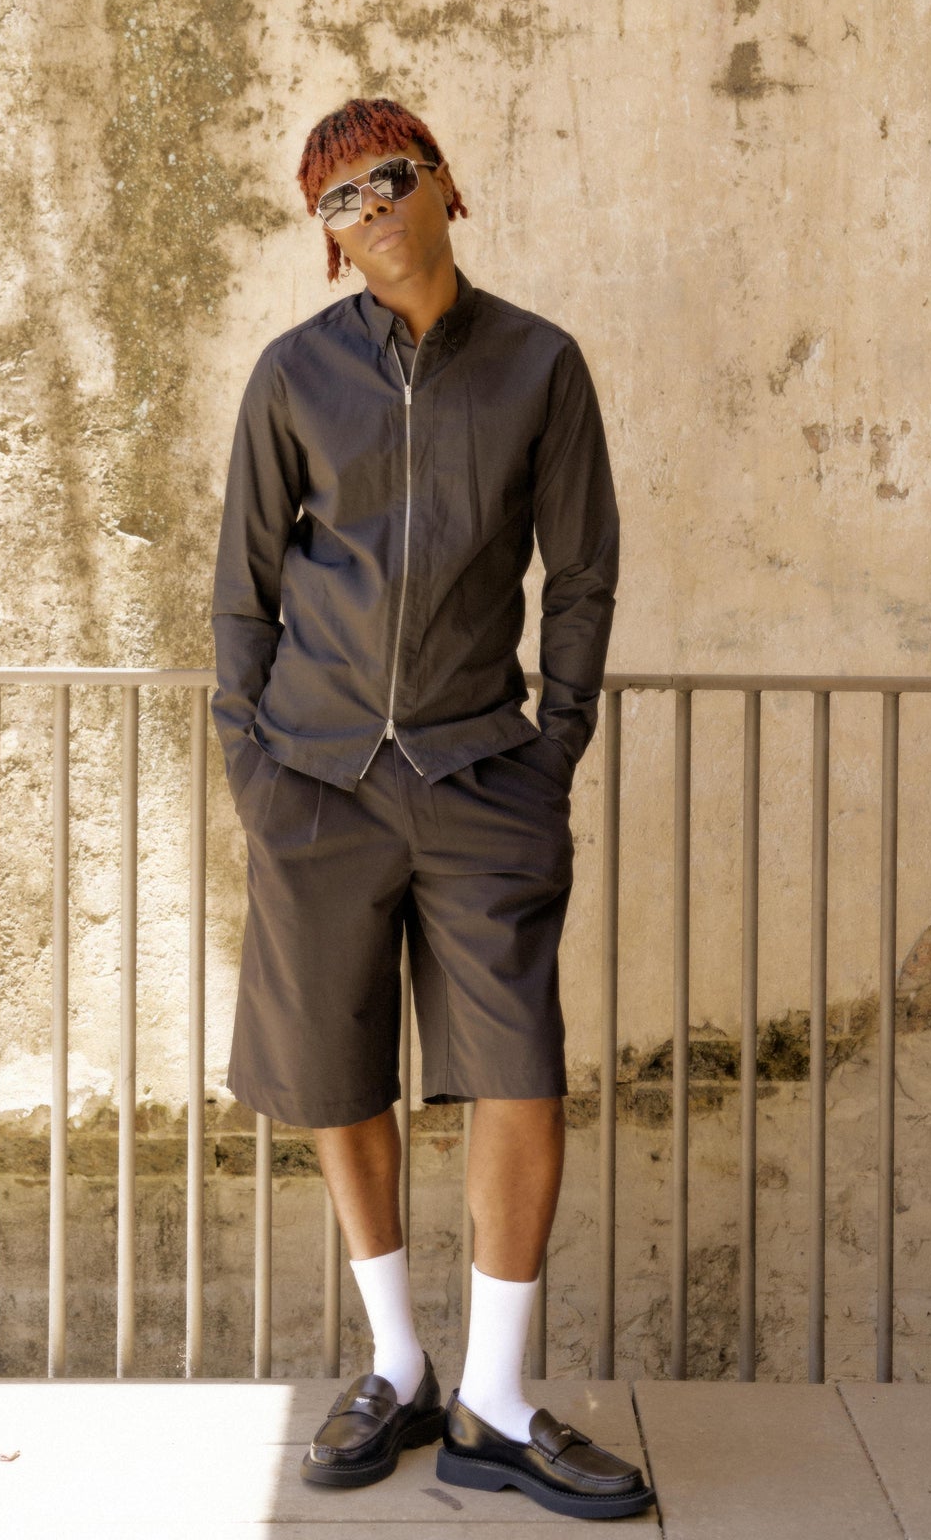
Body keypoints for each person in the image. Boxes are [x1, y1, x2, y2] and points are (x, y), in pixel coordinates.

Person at [211, 96, 653, 1521]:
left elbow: (582, 572)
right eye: (340, 199)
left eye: (391, 177)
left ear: (446, 185)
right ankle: (401, 1366)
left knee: (517, 1072)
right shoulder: (292, 376)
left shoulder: (539, 366)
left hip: (481, 778)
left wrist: (553, 747)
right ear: (329, 240)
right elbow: (245, 591)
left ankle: (500, 1399)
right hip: (318, 781)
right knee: (340, 1073)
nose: (372, 206)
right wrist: (254, 765)